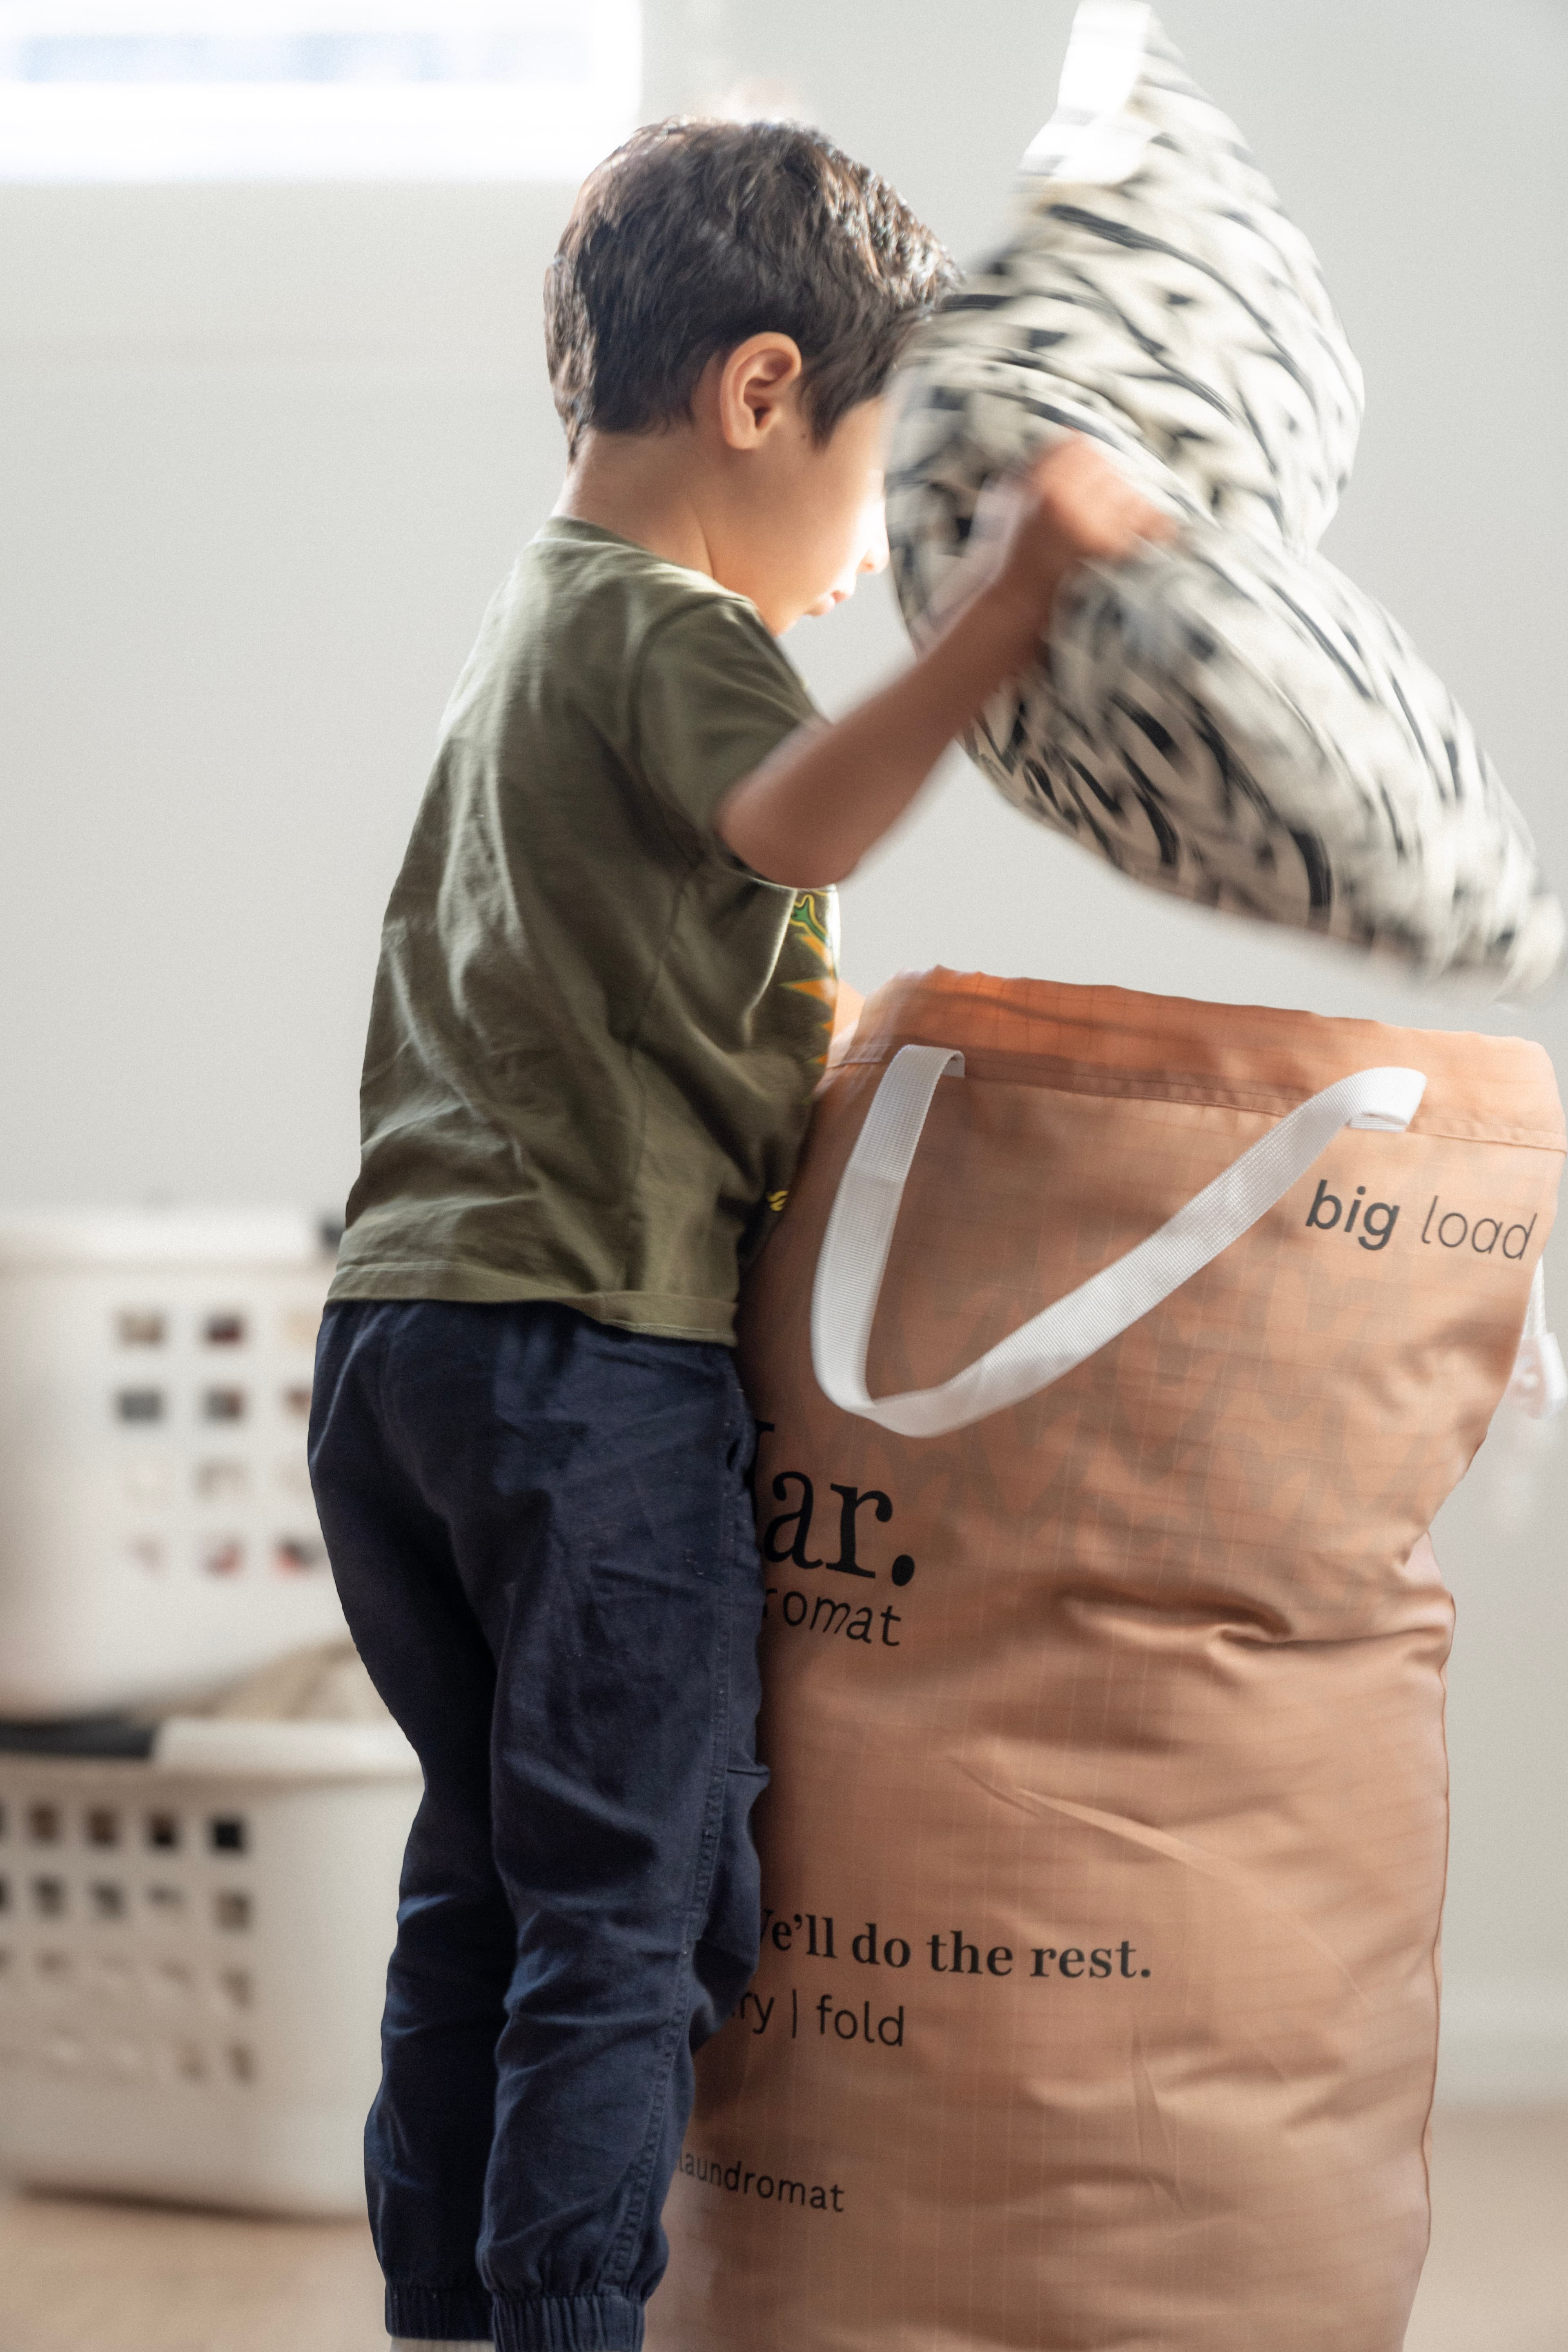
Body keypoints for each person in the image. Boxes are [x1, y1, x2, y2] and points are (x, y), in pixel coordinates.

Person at [308, 115, 1171, 2352]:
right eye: (882, 495)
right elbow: (790, 815)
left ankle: (438, 2312)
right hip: (586, 1359)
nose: (871, 565)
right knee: (635, 1909)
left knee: (484, 1875)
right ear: (762, 393)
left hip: (401, 1349)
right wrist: (1013, 615)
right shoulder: (675, 628)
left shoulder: (533, 624)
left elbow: (627, 971)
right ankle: (572, 2325)